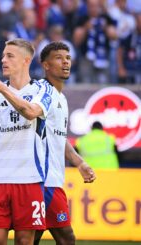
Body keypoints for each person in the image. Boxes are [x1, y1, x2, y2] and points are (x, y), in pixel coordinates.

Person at [0, 38, 49, 245]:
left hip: (29, 178)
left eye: (9, 56)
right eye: (3, 55)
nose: (3, 60)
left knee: (25, 242)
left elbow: (31, 112)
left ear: (26, 60)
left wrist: (2, 90)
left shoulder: (42, 90)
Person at [33, 41, 96, 245]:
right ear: (46, 65)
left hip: (52, 180)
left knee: (31, 238)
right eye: (59, 58)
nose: (65, 62)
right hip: (44, 180)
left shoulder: (62, 98)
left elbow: (58, 138)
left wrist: (79, 163)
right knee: (66, 238)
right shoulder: (41, 91)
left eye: (67, 58)